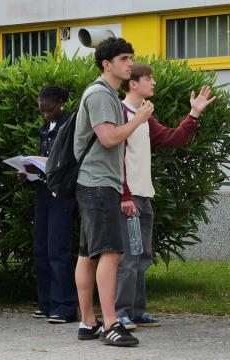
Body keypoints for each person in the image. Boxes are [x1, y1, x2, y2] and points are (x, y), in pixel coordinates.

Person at [115, 62, 215, 330]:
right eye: (148, 78)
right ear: (133, 83)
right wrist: (124, 194)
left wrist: (193, 115)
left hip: (144, 195)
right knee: (129, 256)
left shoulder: (145, 115)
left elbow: (172, 139)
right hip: (129, 197)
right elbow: (116, 159)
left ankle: (136, 311)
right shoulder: (122, 113)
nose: (154, 82)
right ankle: (120, 312)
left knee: (142, 254)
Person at [73, 37, 150, 347]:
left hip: (94, 183)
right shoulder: (102, 95)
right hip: (99, 184)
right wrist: (138, 119)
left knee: (87, 254)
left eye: (130, 57)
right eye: (124, 59)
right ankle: (110, 323)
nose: (130, 64)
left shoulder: (103, 93)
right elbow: (107, 138)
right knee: (110, 252)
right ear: (107, 64)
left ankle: (88, 322)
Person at [26, 85, 78, 324]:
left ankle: (64, 306)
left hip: (61, 193)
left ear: (60, 102)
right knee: (41, 249)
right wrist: (29, 170)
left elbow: (70, 159)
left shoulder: (70, 124)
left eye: (49, 110)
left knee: (59, 250)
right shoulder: (46, 128)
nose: (45, 115)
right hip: (43, 191)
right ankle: (46, 303)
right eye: (42, 111)